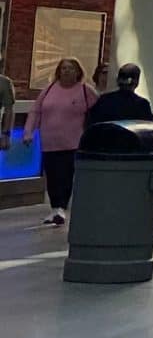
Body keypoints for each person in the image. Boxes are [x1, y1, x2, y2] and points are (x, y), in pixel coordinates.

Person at [28, 57, 96, 226]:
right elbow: (36, 111)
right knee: (51, 175)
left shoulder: (85, 90)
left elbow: (98, 110)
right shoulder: (49, 89)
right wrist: (28, 132)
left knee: (65, 176)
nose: (66, 71)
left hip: (73, 142)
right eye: (64, 68)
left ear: (78, 72)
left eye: (71, 68)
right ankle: (55, 208)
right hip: (49, 141)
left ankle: (61, 208)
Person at [85, 62, 153, 128]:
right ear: (136, 82)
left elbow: (90, 124)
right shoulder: (141, 104)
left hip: (104, 147)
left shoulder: (104, 100)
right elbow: (150, 130)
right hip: (130, 148)